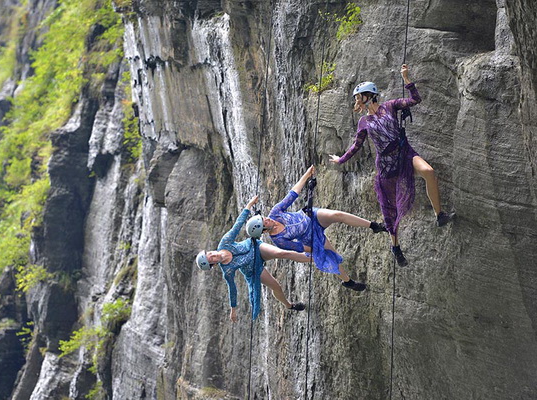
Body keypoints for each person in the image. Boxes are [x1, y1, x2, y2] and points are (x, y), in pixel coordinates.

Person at [329, 64, 454, 266]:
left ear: (368, 95)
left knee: (429, 172)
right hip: (387, 166)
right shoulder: (364, 122)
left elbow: (415, 100)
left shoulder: (390, 106)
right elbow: (356, 146)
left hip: (404, 153)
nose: (356, 101)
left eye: (358, 97)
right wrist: (340, 159)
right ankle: (395, 247)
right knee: (390, 209)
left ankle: (439, 215)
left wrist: (406, 79)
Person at [252, 165, 386, 291]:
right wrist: (318, 251)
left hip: (311, 216)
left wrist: (307, 174)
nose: (267, 219)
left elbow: (293, 194)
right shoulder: (279, 240)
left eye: (264, 217)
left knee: (337, 215)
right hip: (310, 238)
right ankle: (348, 282)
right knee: (332, 257)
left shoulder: (275, 213)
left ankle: (374, 226)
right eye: (265, 222)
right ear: (264, 230)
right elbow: (301, 248)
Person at [195, 195, 311, 322]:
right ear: (214, 265)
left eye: (210, 253)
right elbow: (232, 289)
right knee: (276, 287)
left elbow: (238, 225)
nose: (213, 256)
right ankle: (289, 305)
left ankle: (313, 257)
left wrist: (249, 205)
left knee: (282, 253)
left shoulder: (225, 242)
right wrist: (233, 310)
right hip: (254, 270)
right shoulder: (227, 270)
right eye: (211, 259)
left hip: (256, 248)